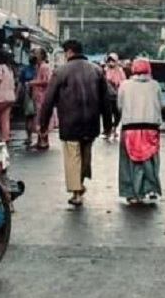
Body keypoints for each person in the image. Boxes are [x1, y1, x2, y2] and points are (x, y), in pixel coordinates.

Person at [39, 40, 111, 206]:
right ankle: (80, 184)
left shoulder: (61, 71)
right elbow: (106, 101)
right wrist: (108, 125)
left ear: (69, 52)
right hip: (92, 122)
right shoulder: (97, 70)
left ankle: (77, 192)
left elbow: (48, 101)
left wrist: (43, 125)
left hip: (70, 121)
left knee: (73, 157)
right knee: (85, 155)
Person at [117, 58, 163, 205]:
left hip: (130, 128)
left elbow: (120, 106)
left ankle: (131, 192)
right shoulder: (155, 85)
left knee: (129, 162)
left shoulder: (124, 85)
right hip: (151, 128)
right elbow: (160, 105)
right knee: (150, 161)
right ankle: (150, 189)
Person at [29, 48, 54, 150]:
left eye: (36, 54)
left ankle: (43, 141)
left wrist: (32, 83)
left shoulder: (44, 67)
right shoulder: (38, 67)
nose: (34, 56)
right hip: (38, 97)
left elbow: (46, 81)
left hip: (43, 97)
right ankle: (40, 140)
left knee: (42, 118)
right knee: (39, 118)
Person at [103, 53, 127, 140]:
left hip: (118, 95)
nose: (111, 63)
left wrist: (117, 84)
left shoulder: (120, 71)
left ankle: (115, 127)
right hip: (107, 96)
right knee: (107, 114)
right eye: (109, 61)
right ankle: (107, 130)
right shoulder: (105, 70)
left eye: (112, 61)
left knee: (118, 113)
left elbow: (124, 82)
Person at [19, 53, 39, 147]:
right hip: (36, 95)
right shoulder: (39, 69)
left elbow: (20, 83)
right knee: (36, 117)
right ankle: (39, 138)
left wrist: (18, 95)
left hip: (28, 95)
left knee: (28, 118)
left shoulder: (26, 70)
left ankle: (29, 137)